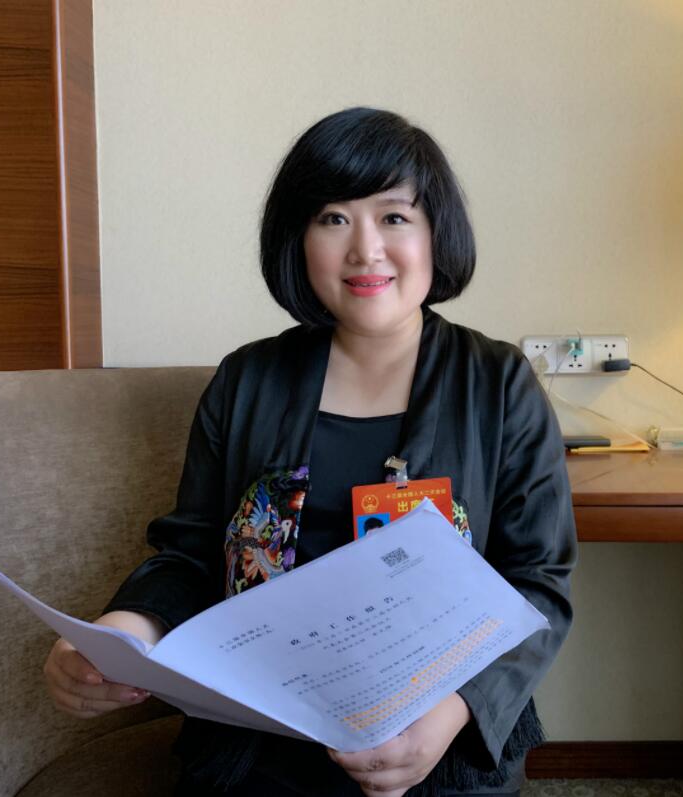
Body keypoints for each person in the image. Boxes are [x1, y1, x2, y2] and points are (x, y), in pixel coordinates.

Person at [42, 107, 577, 796]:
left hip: (437, 738)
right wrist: (116, 635)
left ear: (435, 234)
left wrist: (451, 713)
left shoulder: (498, 383)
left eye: (394, 216)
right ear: (298, 239)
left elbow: (537, 581)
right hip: (259, 739)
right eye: (333, 218)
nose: (365, 250)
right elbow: (191, 555)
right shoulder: (246, 380)